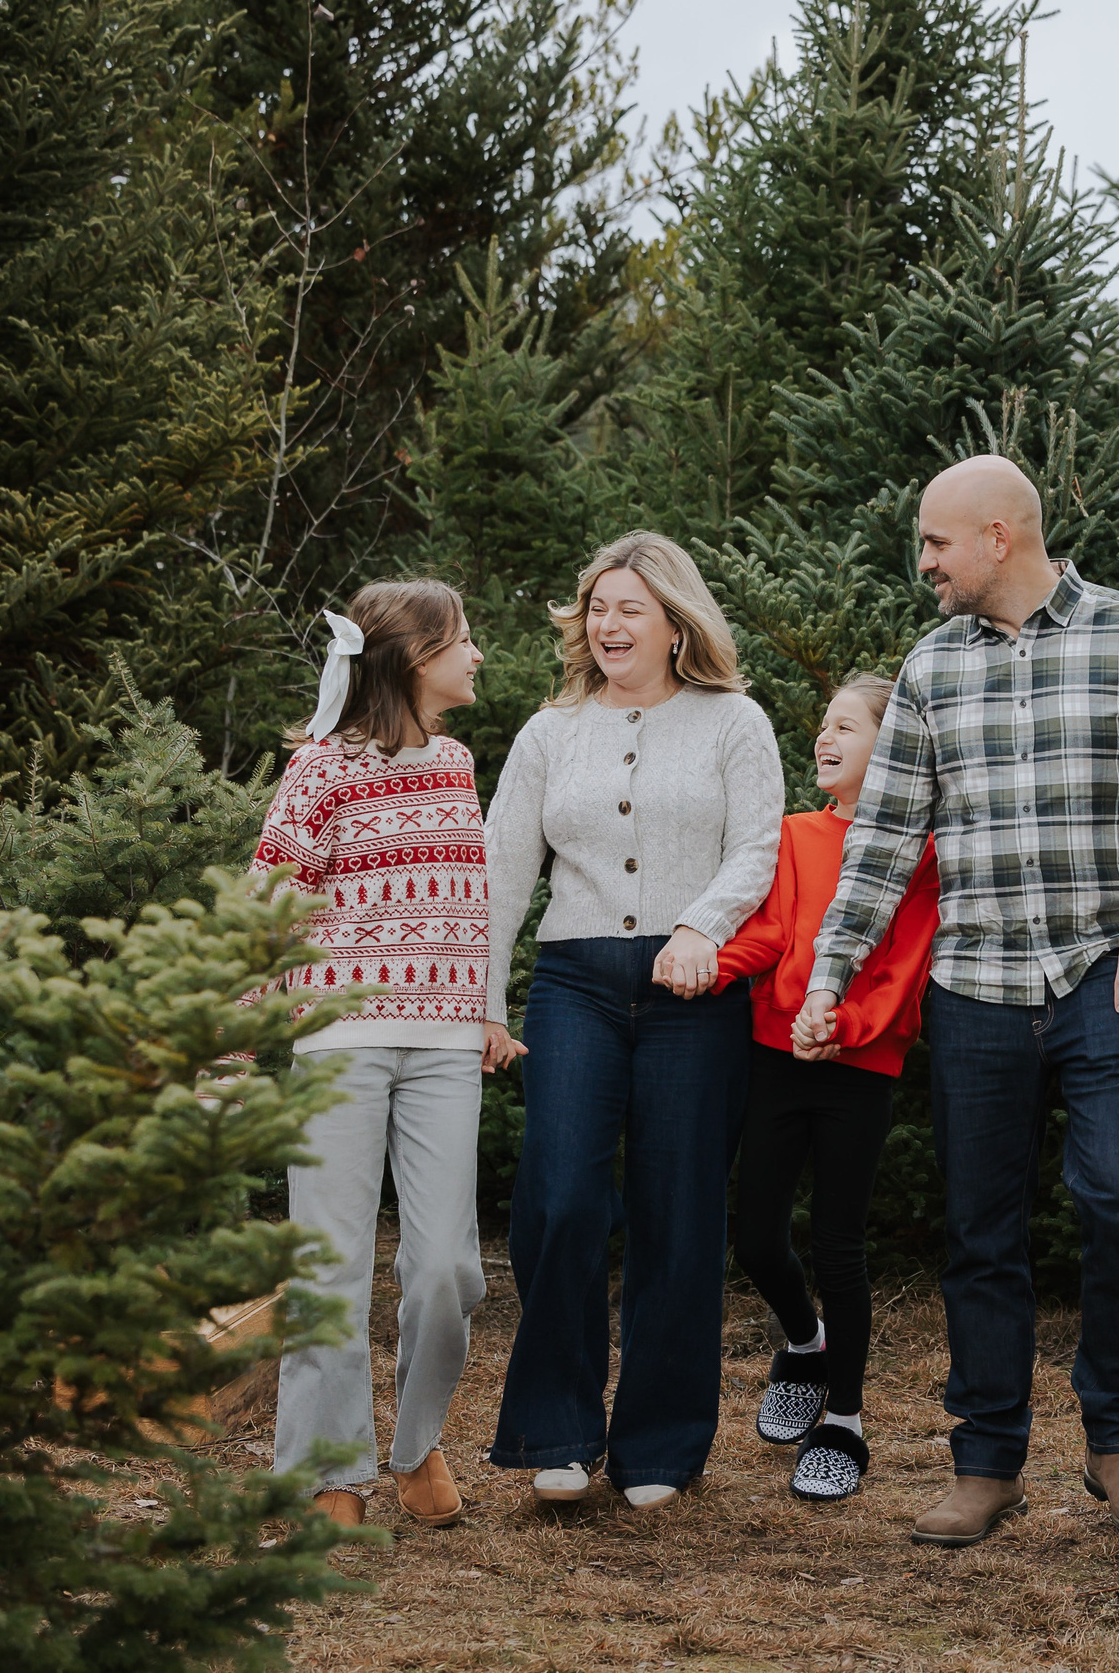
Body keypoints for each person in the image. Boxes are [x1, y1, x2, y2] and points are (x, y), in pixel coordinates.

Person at [798, 454, 1119, 1549]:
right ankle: (987, 1460)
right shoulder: (929, 669)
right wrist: (828, 977)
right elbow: (881, 844)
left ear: (999, 536)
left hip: (1110, 972)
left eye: (935, 543)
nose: (924, 565)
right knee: (981, 1232)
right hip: (977, 988)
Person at [481, 531, 785, 1510]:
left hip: (694, 994)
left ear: (673, 621)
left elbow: (757, 851)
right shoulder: (548, 733)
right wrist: (483, 1003)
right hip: (574, 983)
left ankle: (660, 1442)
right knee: (560, 1200)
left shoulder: (734, 721)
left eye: (630, 609)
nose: (608, 625)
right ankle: (555, 1431)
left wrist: (701, 925)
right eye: (597, 608)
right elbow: (500, 878)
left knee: (680, 1213)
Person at [250, 579, 498, 1531]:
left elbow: (469, 905)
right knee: (331, 1265)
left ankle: (417, 1441)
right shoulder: (320, 767)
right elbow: (268, 901)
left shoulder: (459, 763)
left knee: (446, 1270)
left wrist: (483, 1009)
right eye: (463, 639)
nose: (477, 655)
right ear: (411, 654)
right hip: (341, 1040)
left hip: (442, 1045)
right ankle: (330, 1474)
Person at [715, 674, 940, 1504]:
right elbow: (770, 931)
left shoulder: (919, 851)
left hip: (861, 1066)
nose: (824, 736)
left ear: (892, 746)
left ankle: (843, 1418)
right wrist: (701, 967)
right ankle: (804, 1341)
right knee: (756, 1234)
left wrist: (842, 1024)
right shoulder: (793, 834)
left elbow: (906, 964)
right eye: (822, 724)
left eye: (845, 725)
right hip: (776, 1053)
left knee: (840, 1245)